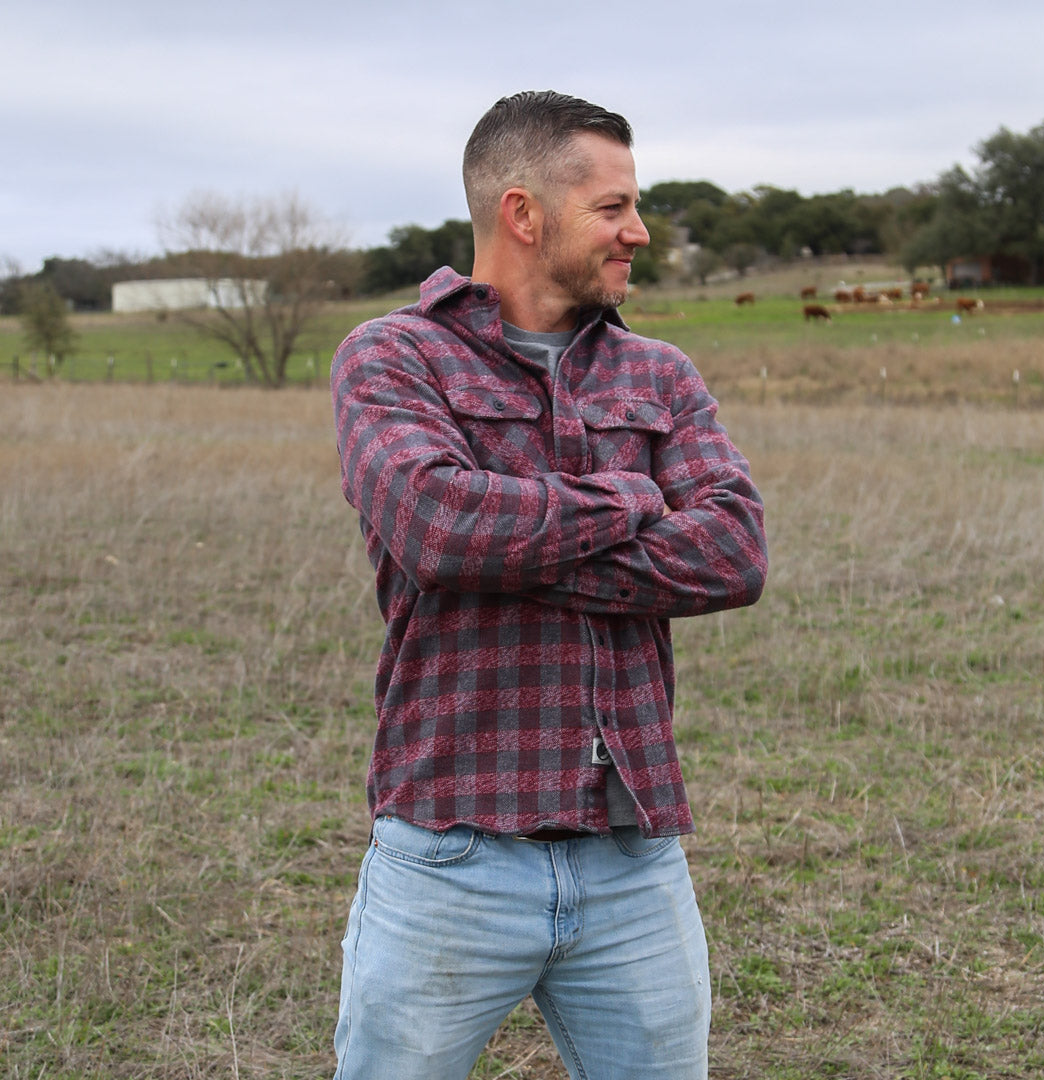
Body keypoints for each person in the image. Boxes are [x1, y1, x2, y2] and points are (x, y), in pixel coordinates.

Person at [329, 90, 768, 1080]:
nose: (638, 232)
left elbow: (735, 553)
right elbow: (438, 527)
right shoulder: (395, 356)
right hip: (449, 857)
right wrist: (630, 499)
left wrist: (515, 551)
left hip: (634, 864)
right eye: (612, 208)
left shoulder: (659, 375)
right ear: (524, 214)